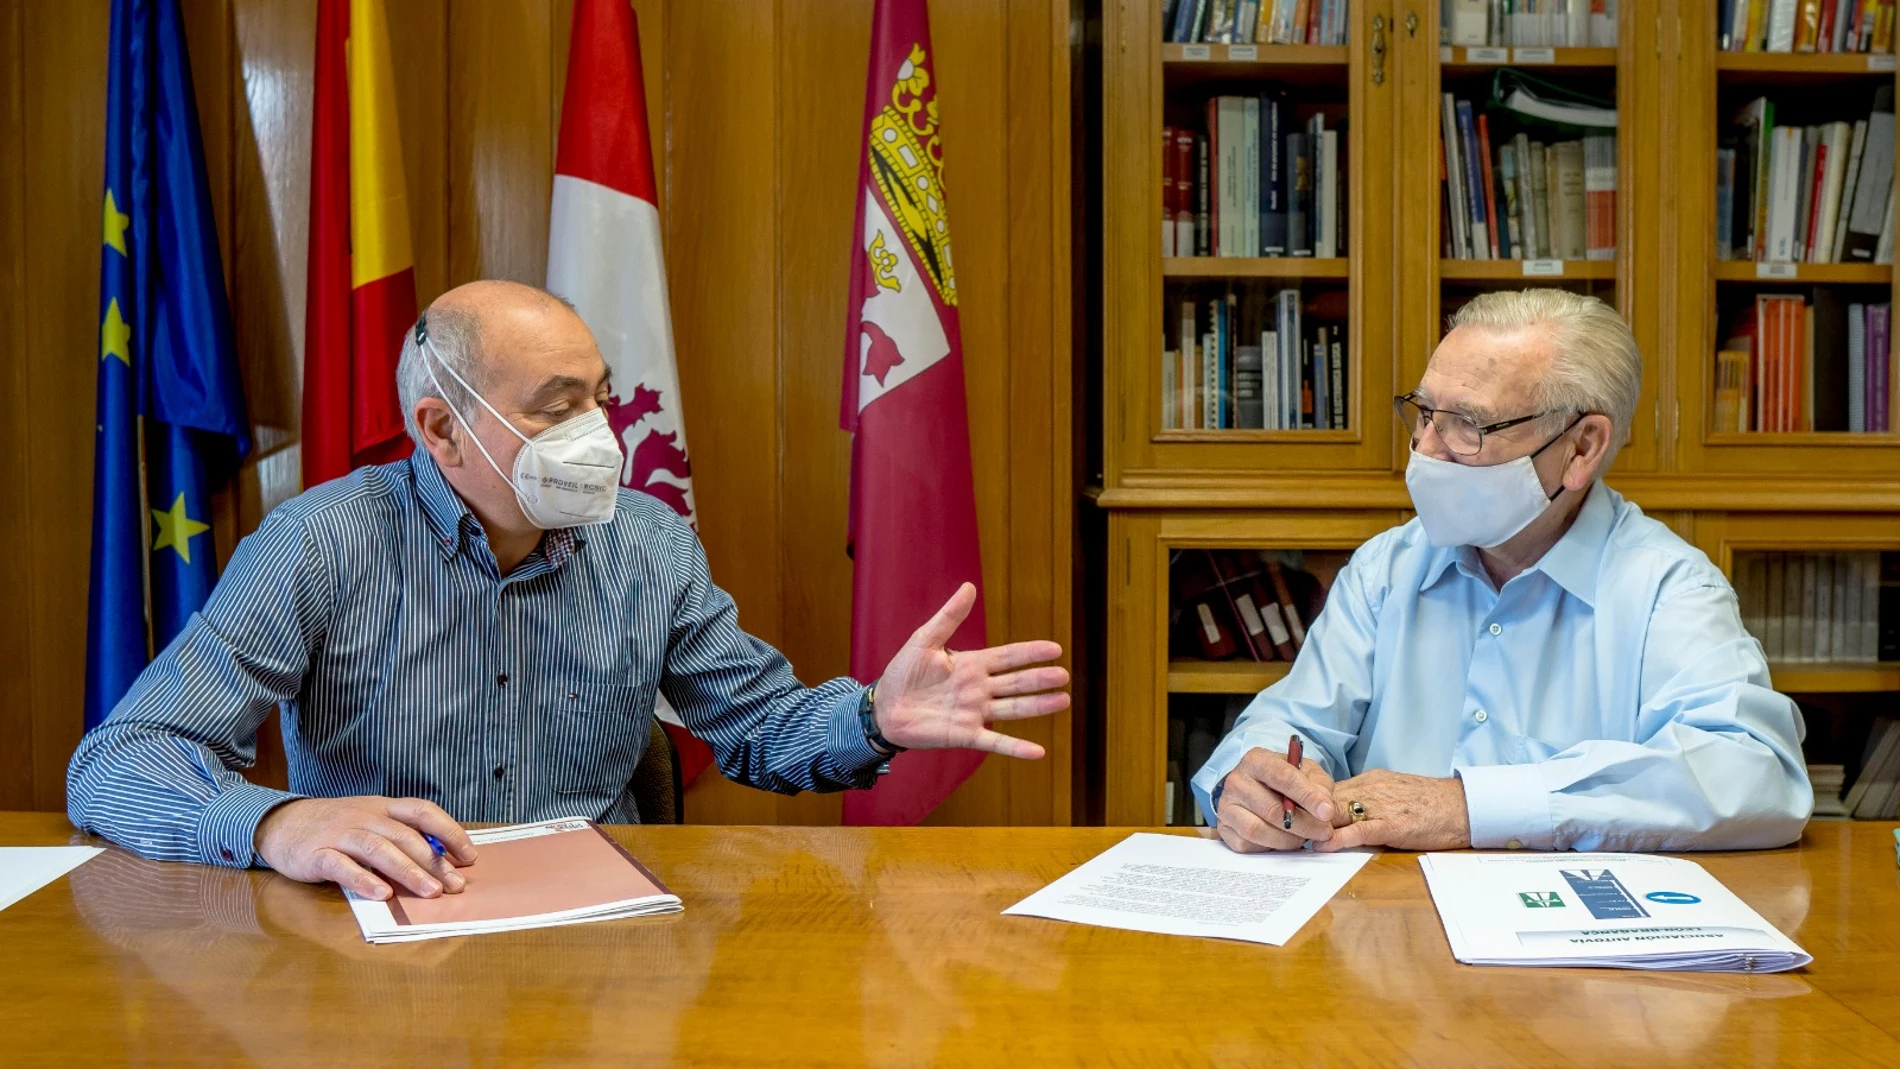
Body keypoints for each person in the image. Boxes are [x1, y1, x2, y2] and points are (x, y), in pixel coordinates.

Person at [69, 280, 1069, 902]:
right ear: (439, 427)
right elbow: (119, 761)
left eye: (597, 394)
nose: (602, 429)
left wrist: (875, 716)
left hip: (608, 934)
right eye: (557, 408)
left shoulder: (646, 540)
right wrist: (279, 824)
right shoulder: (319, 543)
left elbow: (759, 726)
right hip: (387, 926)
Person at [1196, 289, 1809, 855]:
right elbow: (1293, 724)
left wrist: (1469, 807)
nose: (1426, 449)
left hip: (1576, 956)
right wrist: (1250, 782)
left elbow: (1755, 772)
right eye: (1424, 412)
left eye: (1468, 424)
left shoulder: (1667, 589)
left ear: (1581, 448)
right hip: (1386, 933)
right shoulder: (1387, 568)